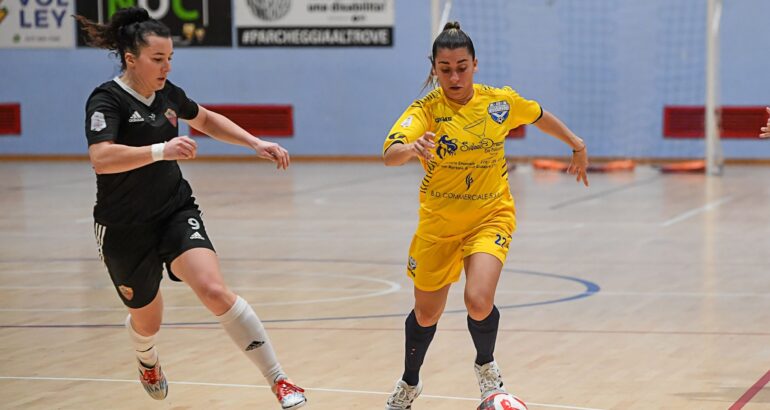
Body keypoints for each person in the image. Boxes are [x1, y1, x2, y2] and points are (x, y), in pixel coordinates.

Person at [75, 8, 306, 409]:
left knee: (215, 290)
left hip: (173, 210)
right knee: (149, 321)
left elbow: (206, 119)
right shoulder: (105, 99)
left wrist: (255, 142)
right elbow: (102, 157)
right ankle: (147, 359)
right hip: (124, 226)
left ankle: (280, 381)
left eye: (170, 59)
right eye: (157, 59)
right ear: (132, 59)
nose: (166, 67)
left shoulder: (167, 95)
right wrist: (161, 150)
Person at [381, 22, 589, 410]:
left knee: (478, 300)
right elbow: (389, 153)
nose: (454, 76)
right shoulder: (425, 110)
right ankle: (410, 382)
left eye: (462, 66)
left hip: (489, 215)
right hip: (438, 226)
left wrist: (575, 143)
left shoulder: (499, 102)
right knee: (426, 315)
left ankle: (487, 369)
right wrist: (411, 147)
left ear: (475, 64)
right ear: (434, 68)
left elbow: (538, 115)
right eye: (445, 69)